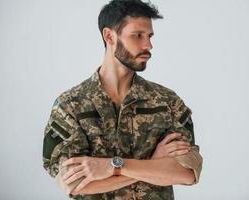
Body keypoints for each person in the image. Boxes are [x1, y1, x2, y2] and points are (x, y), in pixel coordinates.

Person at [42, 0, 203, 199]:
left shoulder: (167, 102)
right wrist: (153, 164)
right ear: (109, 36)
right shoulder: (70, 106)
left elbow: (187, 173)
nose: (148, 45)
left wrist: (113, 166)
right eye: (137, 35)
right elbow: (74, 183)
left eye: (149, 36)